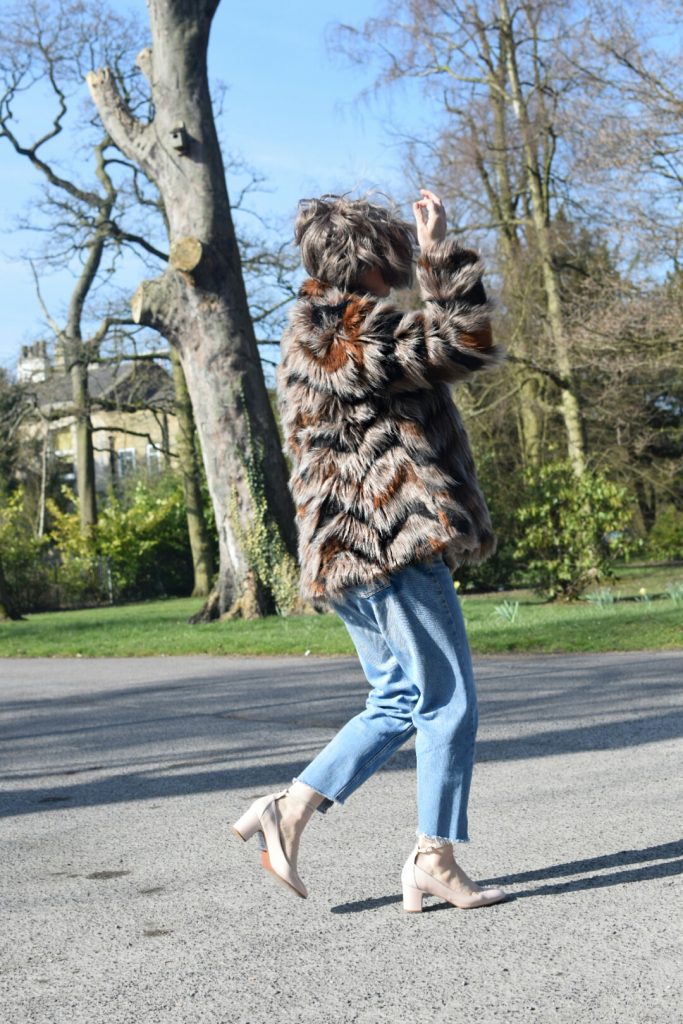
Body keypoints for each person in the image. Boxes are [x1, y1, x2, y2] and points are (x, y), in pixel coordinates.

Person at [232, 189, 507, 911]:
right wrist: (440, 252)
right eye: (393, 254)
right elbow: (464, 342)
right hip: (387, 541)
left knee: (396, 699)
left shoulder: (319, 329)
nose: (399, 268)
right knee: (446, 701)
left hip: (345, 551)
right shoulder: (349, 330)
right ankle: (433, 857)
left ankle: (286, 811)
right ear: (373, 258)